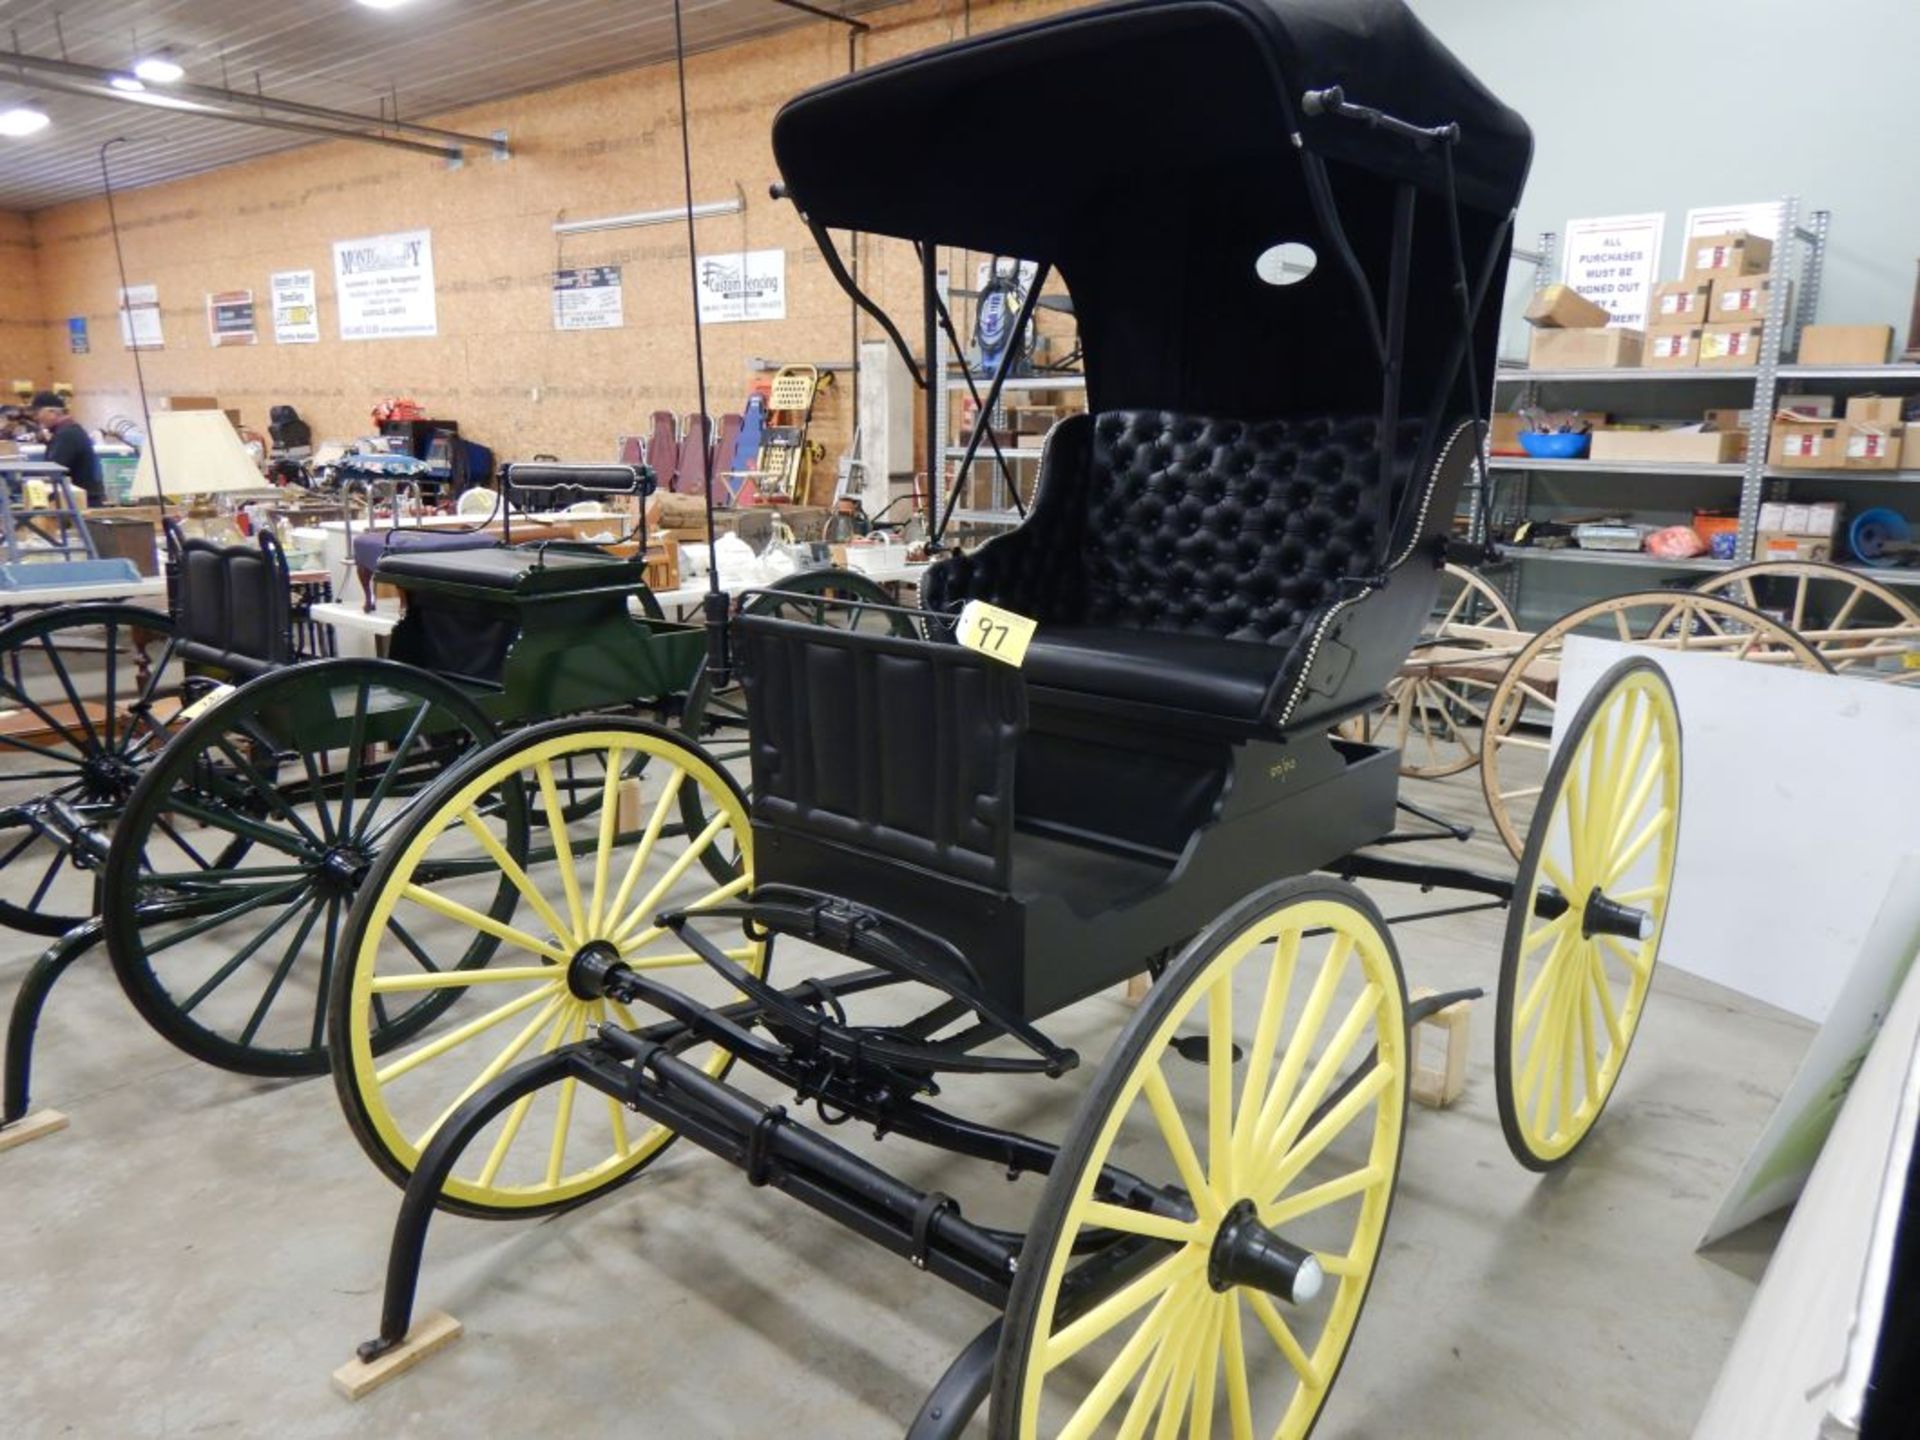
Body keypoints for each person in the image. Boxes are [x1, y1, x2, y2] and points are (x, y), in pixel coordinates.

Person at [32, 391, 104, 507]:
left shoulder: (67, 435)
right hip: (80, 499)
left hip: (80, 503)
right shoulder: (69, 431)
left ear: (52, 412)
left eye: (37, 413)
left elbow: (53, 469)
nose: (36, 418)